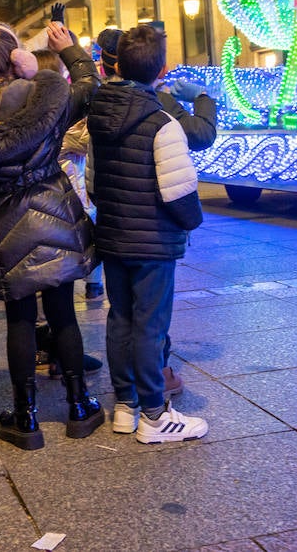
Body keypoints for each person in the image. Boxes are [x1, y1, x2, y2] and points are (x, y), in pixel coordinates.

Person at [0, 22, 102, 450]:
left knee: (19, 321)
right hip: (54, 209)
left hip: (5, 220)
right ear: (14, 57)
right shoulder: (43, 95)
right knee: (63, 313)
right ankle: (79, 406)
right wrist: (63, 56)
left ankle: (25, 416)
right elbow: (89, 88)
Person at [87, 23, 209, 444]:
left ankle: (125, 405)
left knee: (120, 318)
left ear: (117, 65)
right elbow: (179, 192)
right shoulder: (163, 123)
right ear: (160, 71)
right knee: (150, 326)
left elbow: (92, 182)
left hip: (113, 235)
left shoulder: (99, 116)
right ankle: (155, 416)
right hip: (153, 243)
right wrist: (191, 223)